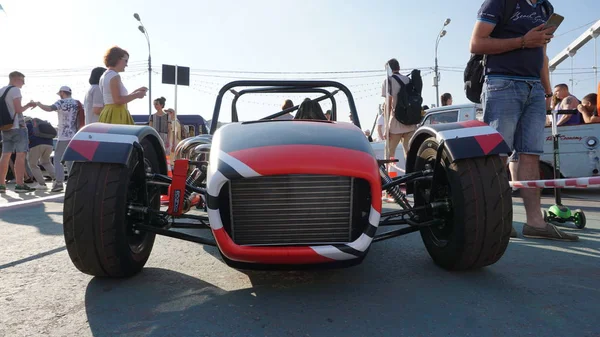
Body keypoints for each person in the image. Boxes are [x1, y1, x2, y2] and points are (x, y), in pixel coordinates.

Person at [470, 0, 578, 241]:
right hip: (501, 83)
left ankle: (535, 223)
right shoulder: (500, 2)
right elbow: (476, 43)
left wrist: (548, 92)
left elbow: (542, 53)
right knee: (498, 155)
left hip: (534, 89)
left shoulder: (545, 8)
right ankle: (497, 222)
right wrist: (522, 41)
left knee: (530, 155)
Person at [35, 86, 79, 192]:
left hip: (63, 135)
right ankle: (73, 182)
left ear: (62, 93)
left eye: (60, 93)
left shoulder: (61, 102)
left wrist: (38, 104)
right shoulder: (76, 103)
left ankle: (59, 183)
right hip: (74, 135)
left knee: (58, 160)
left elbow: (49, 108)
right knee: (70, 160)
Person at [0, 71, 37, 193]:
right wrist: (29, 104)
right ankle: (20, 184)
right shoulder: (15, 90)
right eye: (22, 80)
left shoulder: (1, 90)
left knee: (5, 156)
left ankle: (1, 185)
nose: (23, 83)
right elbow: (18, 109)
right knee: (21, 155)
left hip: (6, 127)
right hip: (18, 127)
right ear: (15, 79)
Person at [98, 46, 147, 125]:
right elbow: (117, 100)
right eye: (126, 61)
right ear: (118, 59)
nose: (126, 65)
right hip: (116, 114)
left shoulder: (105, 75)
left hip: (108, 112)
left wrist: (135, 92)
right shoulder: (114, 76)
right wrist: (137, 95)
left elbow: (114, 97)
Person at [381, 58, 418, 159]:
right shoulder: (408, 80)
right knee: (411, 157)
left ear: (388, 69)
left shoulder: (388, 81)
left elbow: (388, 105)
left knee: (388, 156)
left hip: (395, 124)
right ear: (399, 67)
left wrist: (386, 128)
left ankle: (386, 174)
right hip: (410, 123)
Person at [25, 117, 55, 189]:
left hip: (36, 144)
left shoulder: (27, 125)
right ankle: (57, 181)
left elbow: (26, 138)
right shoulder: (41, 124)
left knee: (32, 164)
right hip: (49, 144)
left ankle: (42, 184)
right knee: (46, 162)